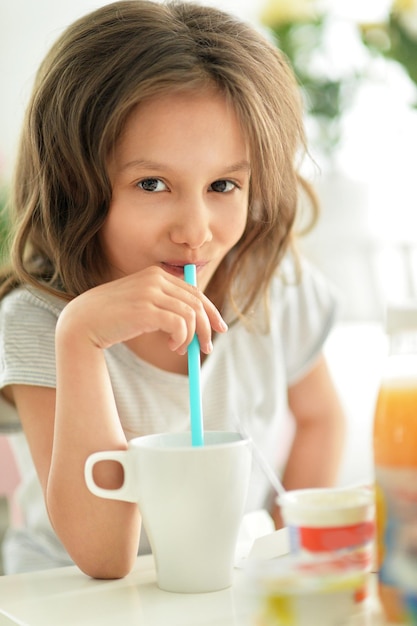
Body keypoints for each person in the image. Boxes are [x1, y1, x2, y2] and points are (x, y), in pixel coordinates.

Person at [0, 0, 345, 578]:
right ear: (74, 185)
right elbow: (103, 559)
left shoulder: (273, 286)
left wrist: (287, 552)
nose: (195, 232)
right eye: (152, 183)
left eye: (223, 184)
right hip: (69, 600)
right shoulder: (39, 321)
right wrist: (81, 339)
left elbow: (321, 418)